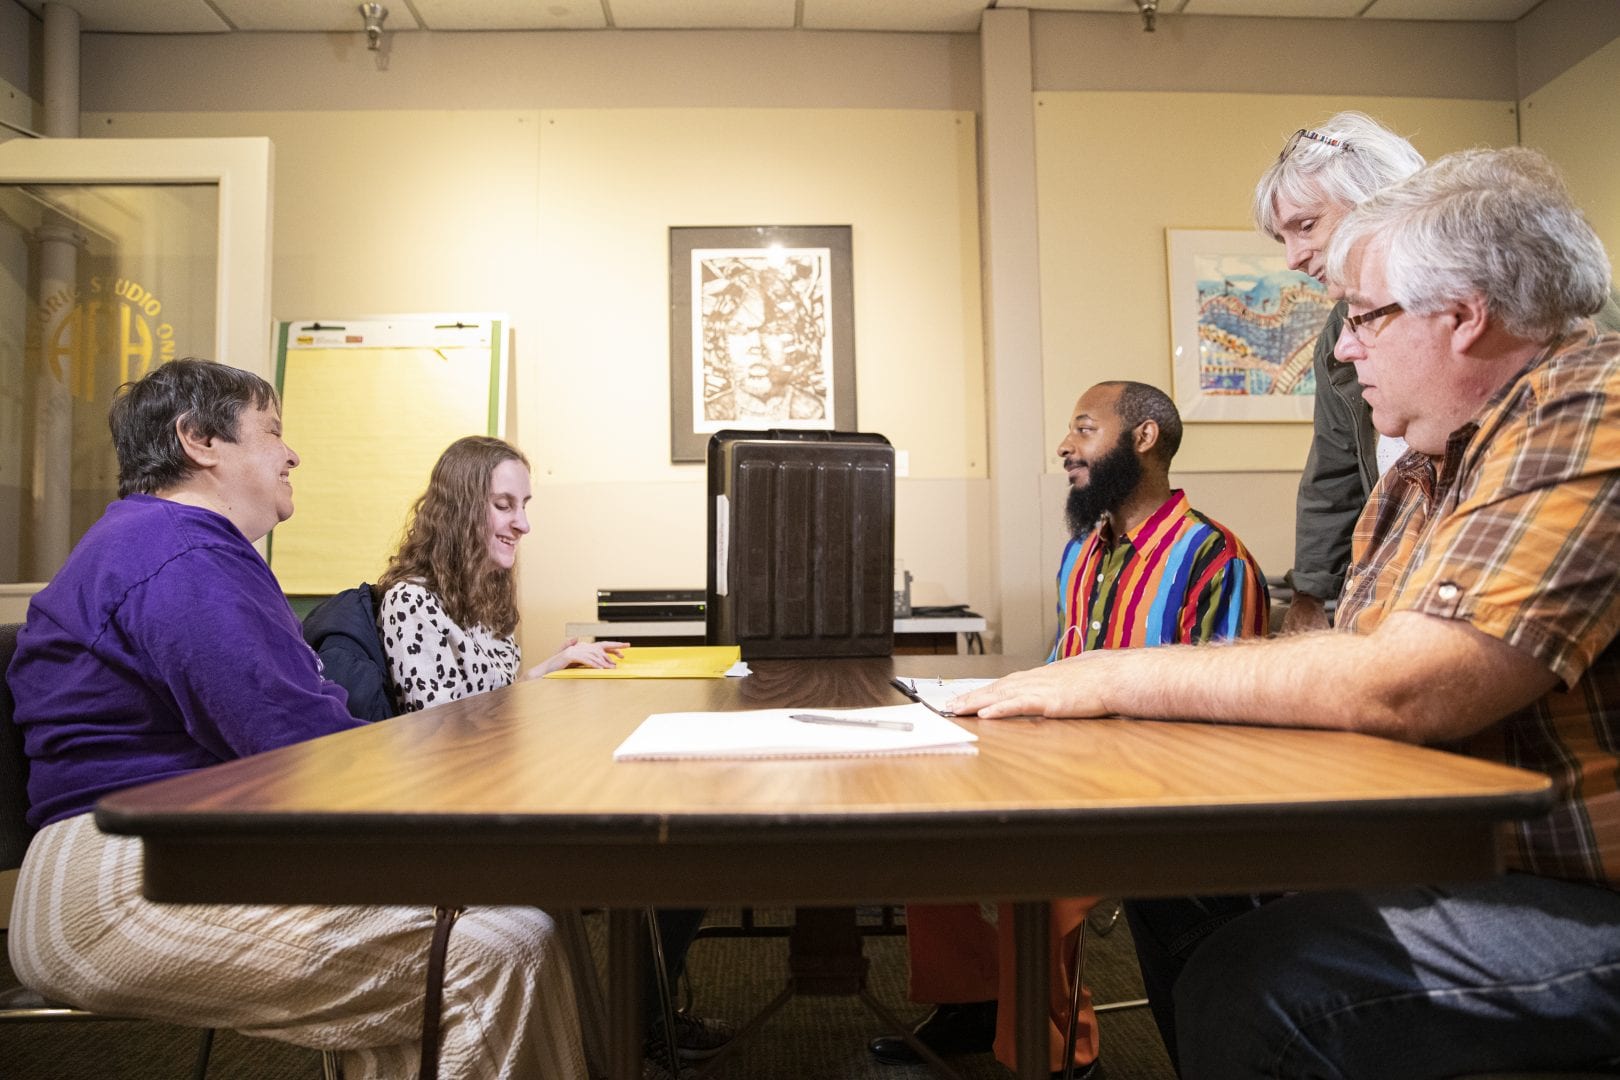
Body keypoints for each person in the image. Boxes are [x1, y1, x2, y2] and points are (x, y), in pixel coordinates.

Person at [951, 148, 1620, 1078]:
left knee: (1265, 986)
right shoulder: (1427, 470)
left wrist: (1105, 674)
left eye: (1363, 319)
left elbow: (1407, 685)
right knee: (1182, 893)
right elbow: (1351, 662)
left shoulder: (1595, 408)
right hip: (1464, 848)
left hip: (1578, 889)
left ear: (1464, 317)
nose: (1344, 350)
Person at [6, 359, 588, 1079]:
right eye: (273, 431)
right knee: (503, 948)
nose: (292, 453)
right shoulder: (179, 552)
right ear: (199, 441)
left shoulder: (167, 546)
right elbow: (304, 750)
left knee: (465, 938)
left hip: (165, 851)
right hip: (121, 880)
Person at [870, 381, 1270, 1078]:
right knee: (925, 822)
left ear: (1142, 439)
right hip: (1060, 761)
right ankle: (971, 1001)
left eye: (1084, 430)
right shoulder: (1083, 552)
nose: (1064, 447)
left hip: (1154, 785)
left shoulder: (1215, 560)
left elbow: (1230, 711)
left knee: (1037, 872)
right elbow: (1066, 667)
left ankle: (1055, 1059)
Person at [374, 436, 732, 1074]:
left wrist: (549, 668)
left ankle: (635, 1023)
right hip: (464, 817)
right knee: (667, 857)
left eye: (525, 503)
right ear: (460, 508)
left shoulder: (482, 596)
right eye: (504, 504)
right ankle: (632, 1029)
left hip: (505, 791)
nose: (523, 521)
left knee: (684, 846)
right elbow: (444, 733)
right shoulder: (413, 600)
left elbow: (484, 699)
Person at [1255, 111, 1425, 634]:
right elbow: (1335, 466)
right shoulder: (1338, 328)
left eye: (1306, 226)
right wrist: (1313, 589)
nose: (1293, 259)